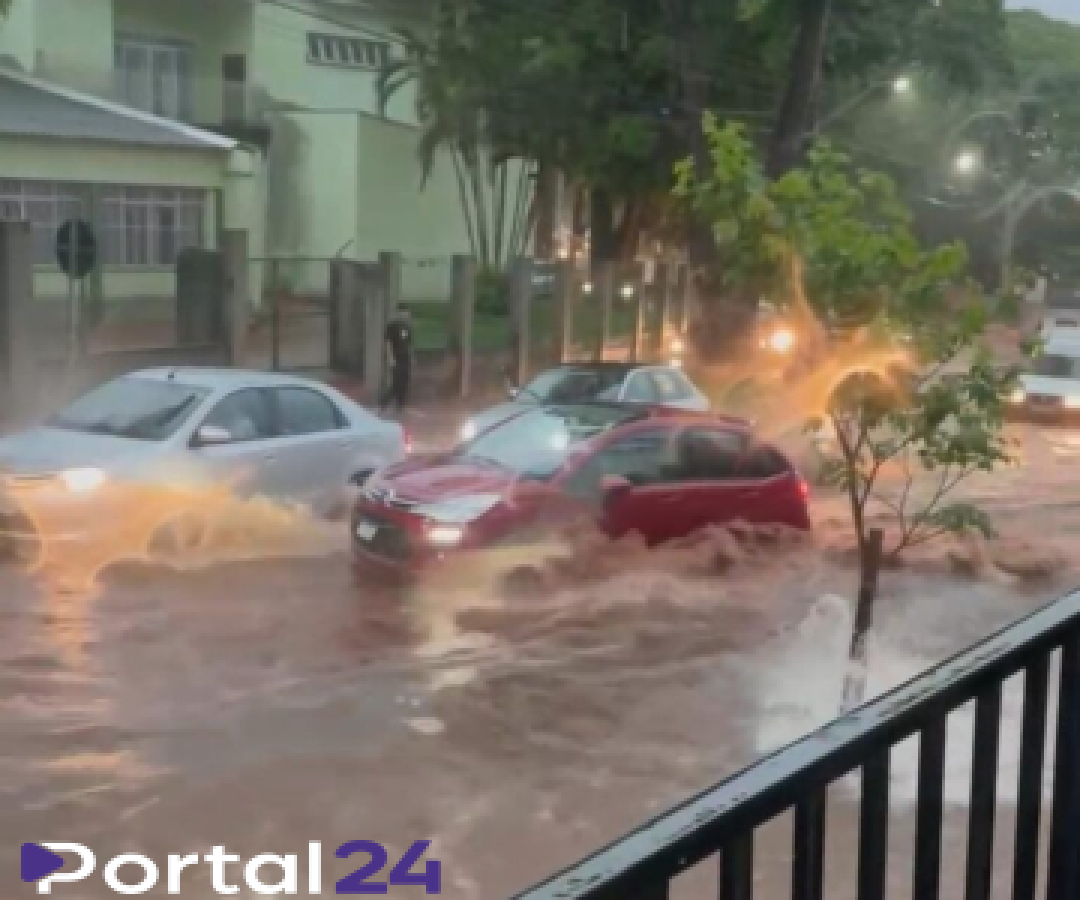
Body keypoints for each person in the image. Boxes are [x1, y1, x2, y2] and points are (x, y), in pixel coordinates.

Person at [380, 308, 414, 412]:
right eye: (405, 313)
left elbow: (409, 344)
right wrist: (391, 358)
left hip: (405, 358)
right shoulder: (392, 326)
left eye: (408, 314)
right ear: (399, 313)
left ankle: (401, 404)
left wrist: (412, 357)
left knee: (405, 380)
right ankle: (384, 402)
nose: (406, 316)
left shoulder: (407, 328)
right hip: (396, 358)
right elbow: (388, 344)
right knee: (397, 382)